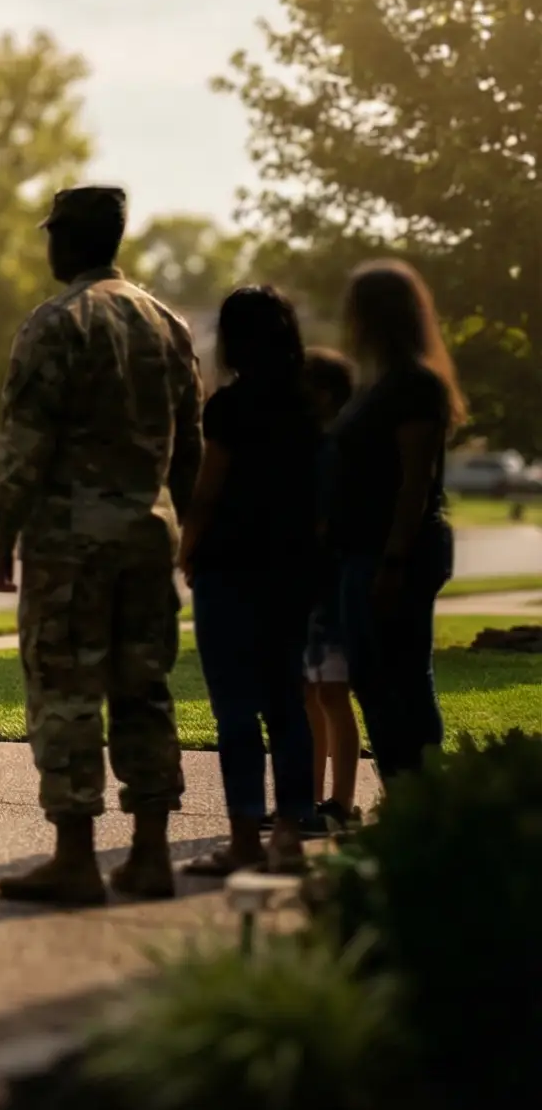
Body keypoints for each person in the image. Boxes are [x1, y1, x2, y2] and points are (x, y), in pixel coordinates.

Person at [0, 185, 203, 907]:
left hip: (71, 543)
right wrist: (184, 522)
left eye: (53, 235)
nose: (48, 247)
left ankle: (75, 857)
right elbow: (190, 443)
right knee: (144, 690)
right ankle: (149, 856)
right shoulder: (165, 323)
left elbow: (25, 446)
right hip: (148, 534)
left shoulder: (57, 324)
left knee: (66, 690)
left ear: (71, 240)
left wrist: (0, 535)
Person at [175, 287, 321, 877]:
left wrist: (187, 548)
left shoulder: (229, 407)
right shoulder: (309, 405)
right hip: (290, 568)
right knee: (287, 702)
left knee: (235, 707)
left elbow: (210, 489)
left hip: (230, 566)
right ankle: (289, 833)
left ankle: (243, 837)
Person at [328, 260, 463, 781]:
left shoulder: (414, 386)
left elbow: (415, 481)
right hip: (364, 549)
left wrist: (394, 561)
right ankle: (405, 791)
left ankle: (417, 796)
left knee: (398, 677)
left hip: (390, 552)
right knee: (377, 676)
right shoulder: (381, 384)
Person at [299, 348, 362, 833]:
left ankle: (341, 802)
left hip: (330, 584)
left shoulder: (337, 447)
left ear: (322, 394)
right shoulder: (310, 444)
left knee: (333, 695)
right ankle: (309, 799)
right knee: (309, 694)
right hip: (310, 587)